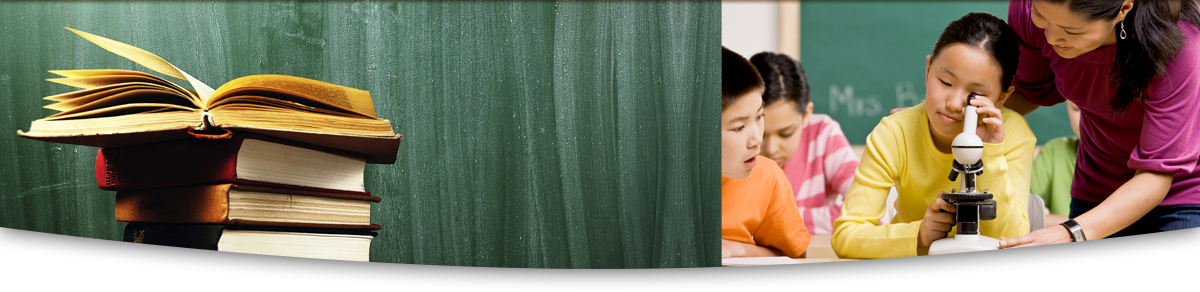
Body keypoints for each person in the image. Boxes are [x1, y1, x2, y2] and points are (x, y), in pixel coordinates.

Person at [996, 0, 1200, 271]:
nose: (1051, 37)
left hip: (1180, 192)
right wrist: (964, 115)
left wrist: (1070, 233)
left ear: (1123, 9)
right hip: (1097, 186)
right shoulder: (1028, 7)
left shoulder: (1180, 42)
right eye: (1041, 17)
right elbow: (1032, 90)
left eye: (1072, 31)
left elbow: (1157, 172)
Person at [832, 12, 1035, 259]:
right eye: (945, 82)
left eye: (974, 95)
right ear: (928, 70)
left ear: (1002, 97)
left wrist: (991, 151)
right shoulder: (894, 133)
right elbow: (846, 236)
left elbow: (1013, 238)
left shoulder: (1014, 135)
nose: (953, 103)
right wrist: (919, 235)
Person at [749, 52, 860, 235]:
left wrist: (776, 221)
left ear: (806, 115)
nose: (771, 148)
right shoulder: (731, 143)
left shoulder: (823, 134)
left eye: (786, 134)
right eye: (760, 134)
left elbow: (872, 215)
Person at [720, 47, 810, 258]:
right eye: (738, 127)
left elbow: (795, 255)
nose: (757, 139)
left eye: (759, 116)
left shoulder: (767, 177)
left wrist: (735, 249)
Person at [1030, 100, 1081, 228]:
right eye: (1076, 108)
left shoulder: (1134, 159)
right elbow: (1019, 214)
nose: (1085, 119)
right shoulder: (1054, 152)